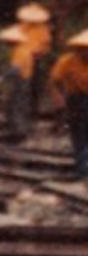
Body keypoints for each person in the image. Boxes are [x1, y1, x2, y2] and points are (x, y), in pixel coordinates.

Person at [49, 30, 88, 179]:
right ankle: (82, 169)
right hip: (76, 99)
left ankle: (84, 165)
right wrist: (59, 98)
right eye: (83, 49)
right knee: (78, 133)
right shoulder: (67, 61)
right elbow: (55, 80)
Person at [0, 25, 34, 142]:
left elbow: (15, 69)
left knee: (14, 106)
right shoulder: (25, 50)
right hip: (25, 80)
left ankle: (18, 133)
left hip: (21, 81)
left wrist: (2, 78)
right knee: (19, 106)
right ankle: (19, 131)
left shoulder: (19, 52)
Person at [19, 2, 54, 113]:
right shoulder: (22, 27)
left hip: (36, 58)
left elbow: (46, 45)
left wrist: (40, 53)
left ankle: (33, 108)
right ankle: (23, 108)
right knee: (22, 83)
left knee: (34, 83)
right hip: (22, 58)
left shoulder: (43, 29)